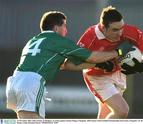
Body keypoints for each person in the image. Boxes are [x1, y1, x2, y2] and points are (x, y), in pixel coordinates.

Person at [5, 11, 134, 119]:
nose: (66, 31)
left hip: (15, 82)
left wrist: (96, 65)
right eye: (64, 26)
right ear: (56, 28)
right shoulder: (58, 41)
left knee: (25, 120)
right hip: (31, 83)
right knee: (33, 121)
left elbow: (64, 65)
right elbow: (92, 56)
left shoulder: (33, 40)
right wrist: (118, 51)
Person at [63, 6, 143, 119]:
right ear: (103, 28)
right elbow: (68, 64)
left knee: (106, 114)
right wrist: (97, 64)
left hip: (119, 73)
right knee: (122, 111)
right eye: (115, 30)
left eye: (121, 27)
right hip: (97, 76)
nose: (120, 33)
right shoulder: (89, 37)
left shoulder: (130, 31)